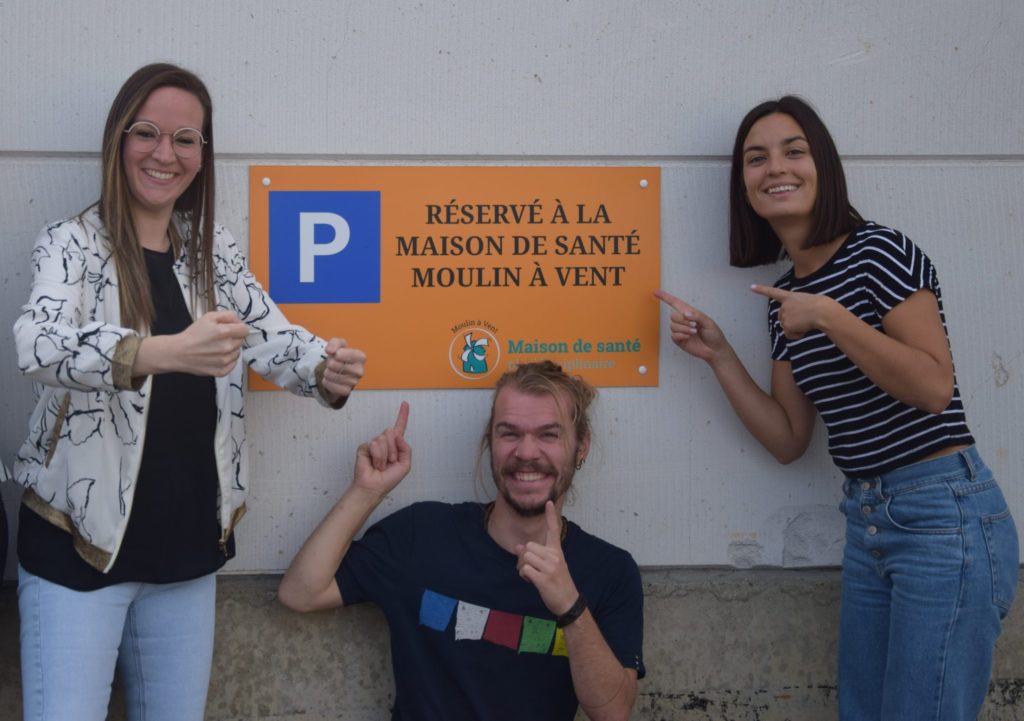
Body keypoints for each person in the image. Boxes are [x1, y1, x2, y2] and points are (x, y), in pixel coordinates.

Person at [12, 63, 366, 721]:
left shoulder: (211, 251)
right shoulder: (71, 244)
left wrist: (325, 370)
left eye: (185, 138)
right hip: (78, 550)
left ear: (203, 155)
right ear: (118, 141)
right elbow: (36, 347)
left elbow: (271, 336)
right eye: (146, 133)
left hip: (184, 553)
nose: (163, 153)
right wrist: (160, 352)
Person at [656, 95, 1018, 721]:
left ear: (822, 166)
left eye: (794, 151)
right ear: (744, 187)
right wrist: (719, 356)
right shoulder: (783, 298)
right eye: (756, 158)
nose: (776, 168)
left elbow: (934, 389)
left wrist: (829, 316)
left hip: (943, 516)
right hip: (868, 521)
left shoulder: (880, 252)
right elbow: (790, 437)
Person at [278, 360, 645, 721]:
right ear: (490, 442)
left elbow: (612, 711)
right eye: (509, 433)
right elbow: (301, 593)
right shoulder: (421, 534)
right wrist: (365, 492)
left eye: (549, 434)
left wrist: (570, 606)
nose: (526, 452)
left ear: (581, 447)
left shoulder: (610, 571)